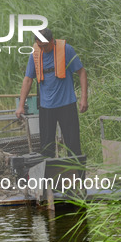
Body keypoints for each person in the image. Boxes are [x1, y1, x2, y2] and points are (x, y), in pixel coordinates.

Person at [16, 28, 88, 158]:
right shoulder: (35, 54)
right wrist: (21, 105)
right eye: (39, 46)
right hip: (46, 106)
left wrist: (84, 98)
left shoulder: (66, 50)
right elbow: (27, 80)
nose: (42, 49)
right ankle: (50, 177)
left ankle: (78, 177)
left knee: (73, 145)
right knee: (46, 148)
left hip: (67, 104)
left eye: (45, 46)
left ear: (52, 41)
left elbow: (81, 72)